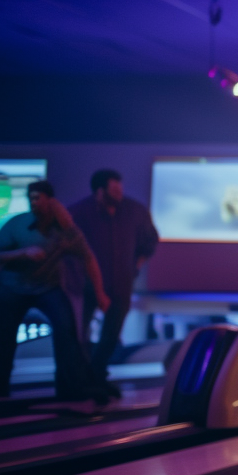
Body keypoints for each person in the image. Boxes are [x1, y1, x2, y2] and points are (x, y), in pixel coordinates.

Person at [0, 181, 110, 403]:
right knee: (3, 341)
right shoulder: (17, 224)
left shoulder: (67, 232)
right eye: (31, 198)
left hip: (46, 288)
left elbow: (89, 259)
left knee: (66, 332)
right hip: (11, 288)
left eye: (38, 198)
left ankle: (70, 388)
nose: (34, 203)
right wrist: (23, 252)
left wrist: (100, 293)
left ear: (52, 202)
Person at [68, 168, 159, 393]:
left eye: (121, 188)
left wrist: (135, 265)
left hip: (121, 283)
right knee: (79, 331)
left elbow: (150, 241)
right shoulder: (79, 213)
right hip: (85, 285)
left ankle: (97, 372)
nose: (120, 193)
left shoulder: (135, 211)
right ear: (100, 191)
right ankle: (81, 376)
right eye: (114, 189)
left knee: (112, 332)